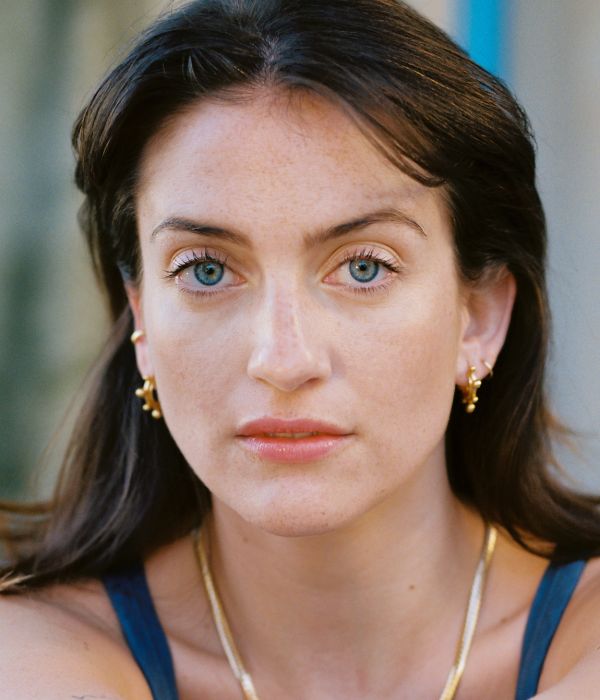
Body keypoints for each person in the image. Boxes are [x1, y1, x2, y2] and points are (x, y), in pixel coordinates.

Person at [1, 0, 600, 697]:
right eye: (206, 270)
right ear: (142, 320)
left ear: (480, 317)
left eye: (364, 267)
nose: (283, 361)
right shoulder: (34, 660)